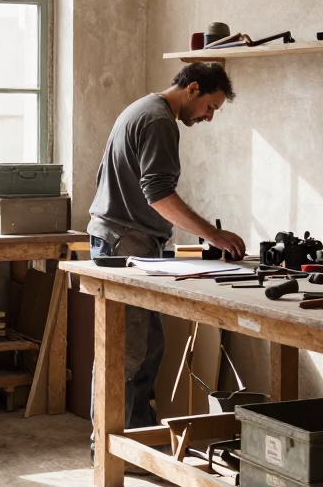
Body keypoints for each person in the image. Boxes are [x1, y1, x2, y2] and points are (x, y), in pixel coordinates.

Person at [88, 62, 247, 451]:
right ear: (192, 89)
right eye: (210, 107)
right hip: (126, 242)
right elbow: (157, 194)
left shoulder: (141, 107)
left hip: (119, 236)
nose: (209, 118)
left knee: (144, 349)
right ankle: (113, 445)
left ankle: (138, 437)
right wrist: (214, 235)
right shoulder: (160, 121)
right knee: (128, 354)